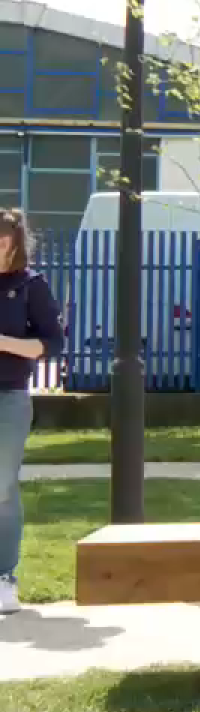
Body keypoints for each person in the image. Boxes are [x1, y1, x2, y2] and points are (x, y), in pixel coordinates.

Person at [0, 209, 64, 616]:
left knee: (2, 486)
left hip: (9, 396)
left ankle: (5, 577)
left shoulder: (30, 285)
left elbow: (53, 343)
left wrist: (3, 342)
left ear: (16, 244)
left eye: (2, 243)